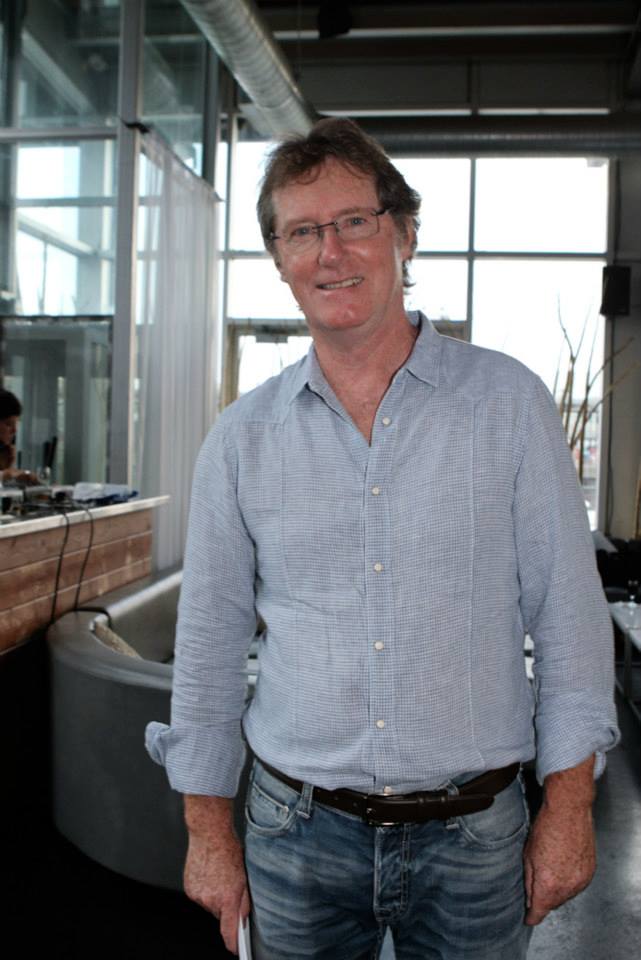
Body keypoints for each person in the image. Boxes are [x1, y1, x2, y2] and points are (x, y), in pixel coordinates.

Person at [146, 118, 619, 959]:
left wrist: (570, 808)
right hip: (294, 833)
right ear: (280, 259)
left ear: (403, 233)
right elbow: (210, 648)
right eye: (302, 231)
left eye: (353, 221)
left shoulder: (508, 406)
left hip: (475, 833)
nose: (330, 251)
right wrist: (207, 832)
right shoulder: (241, 440)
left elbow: (569, 622)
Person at [0, 388, 38, 487]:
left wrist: (10, 471)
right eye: (8, 424)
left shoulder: (5, 452)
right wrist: (6, 475)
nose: (14, 430)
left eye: (16, 424)